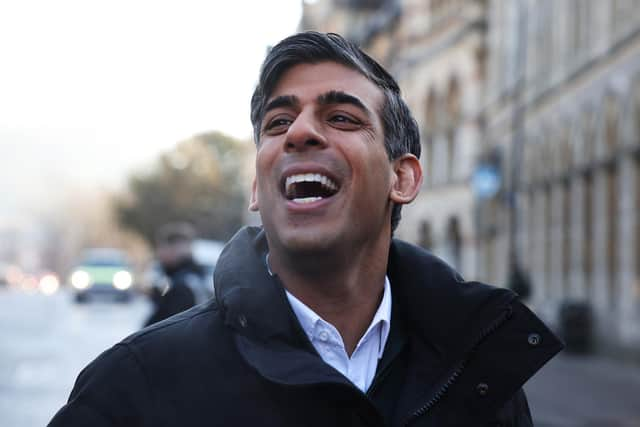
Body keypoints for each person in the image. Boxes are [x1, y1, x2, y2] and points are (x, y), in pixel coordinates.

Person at [49, 32, 562, 427]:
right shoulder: (132, 387)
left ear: (402, 179)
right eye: (277, 123)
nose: (299, 132)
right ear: (257, 188)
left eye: (340, 117)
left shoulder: (481, 377)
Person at [144, 222, 210, 326]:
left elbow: (167, 327)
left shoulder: (184, 284)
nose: (159, 253)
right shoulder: (187, 278)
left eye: (163, 247)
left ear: (177, 248)